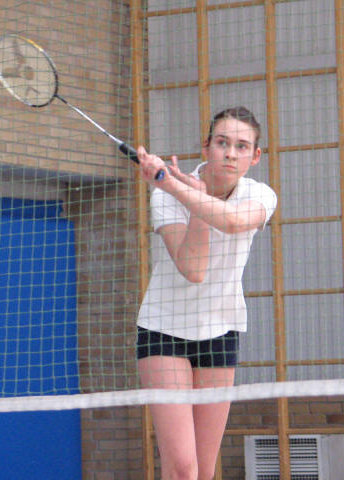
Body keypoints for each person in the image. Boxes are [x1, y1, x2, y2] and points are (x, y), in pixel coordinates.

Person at [136, 106, 277, 480]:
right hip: (164, 331)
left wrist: (181, 189)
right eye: (222, 143)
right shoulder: (165, 196)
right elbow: (193, 269)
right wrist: (182, 193)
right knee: (183, 467)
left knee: (204, 468)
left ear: (254, 156)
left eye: (241, 146)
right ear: (207, 147)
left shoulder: (261, 195)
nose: (230, 153)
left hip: (221, 330)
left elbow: (233, 221)